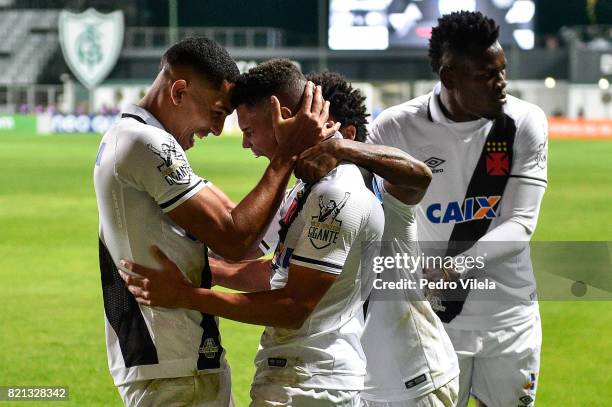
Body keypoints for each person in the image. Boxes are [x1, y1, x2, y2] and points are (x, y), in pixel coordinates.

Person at [120, 59, 426, 406]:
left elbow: (292, 306)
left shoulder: (336, 194)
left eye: (249, 131)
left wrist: (185, 295)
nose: (245, 145)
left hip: (312, 387)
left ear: (284, 117)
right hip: (297, 379)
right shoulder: (307, 187)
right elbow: (267, 265)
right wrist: (202, 268)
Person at [94, 38, 333, 406]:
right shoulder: (144, 143)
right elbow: (235, 239)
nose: (219, 130)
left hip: (179, 362)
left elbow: (248, 239)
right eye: (219, 111)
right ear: (179, 91)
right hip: (170, 366)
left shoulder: (134, 137)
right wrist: (285, 155)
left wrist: (306, 162)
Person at [366, 12, 547, 407]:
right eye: (486, 76)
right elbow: (377, 220)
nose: (501, 85)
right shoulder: (396, 128)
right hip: (433, 319)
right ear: (449, 77)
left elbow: (520, 223)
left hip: (510, 315)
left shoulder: (524, 122)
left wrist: (456, 266)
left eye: (503, 72)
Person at [299, 72, 460, 407]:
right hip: (362, 383)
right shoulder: (308, 197)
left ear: (347, 135)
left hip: (416, 382)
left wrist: (343, 149)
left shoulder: (382, 193)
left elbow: (418, 177)